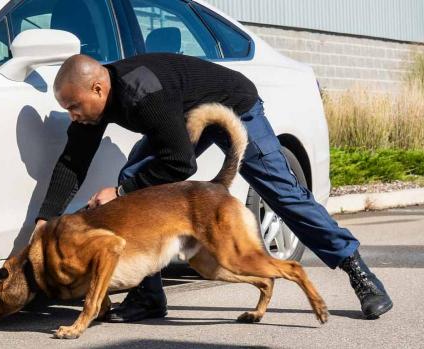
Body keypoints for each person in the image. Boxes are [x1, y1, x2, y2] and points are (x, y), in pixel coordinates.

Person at [34, 53, 392, 322]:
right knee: (135, 175)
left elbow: (179, 162)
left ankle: (358, 271)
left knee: (282, 194)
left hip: (235, 105)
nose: (71, 114)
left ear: (97, 88)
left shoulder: (142, 92)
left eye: (73, 105)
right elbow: (72, 162)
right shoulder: (91, 105)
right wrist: (45, 219)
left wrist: (122, 191)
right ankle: (148, 296)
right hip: (184, 117)